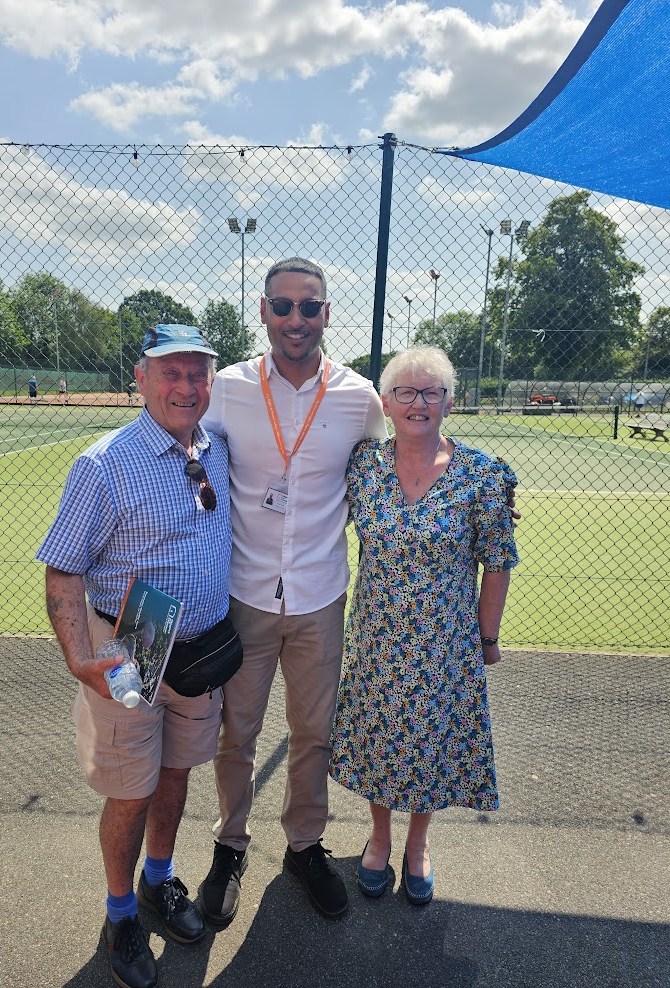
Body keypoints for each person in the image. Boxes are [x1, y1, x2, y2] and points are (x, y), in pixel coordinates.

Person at [36, 325, 231, 988]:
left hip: (201, 642)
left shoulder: (215, 447)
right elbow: (62, 569)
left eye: (198, 373)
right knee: (130, 788)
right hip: (136, 641)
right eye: (170, 372)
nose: (186, 386)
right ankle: (120, 914)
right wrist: (78, 659)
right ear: (141, 379)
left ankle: (158, 881)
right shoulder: (104, 464)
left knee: (175, 771)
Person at [199, 257, 388, 922]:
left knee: (313, 733)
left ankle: (303, 844)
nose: (295, 320)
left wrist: (478, 498)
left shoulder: (360, 398)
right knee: (236, 733)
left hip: (319, 596)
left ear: (327, 313)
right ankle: (229, 843)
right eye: (282, 306)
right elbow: (182, 457)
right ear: (263, 312)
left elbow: (396, 473)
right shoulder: (226, 389)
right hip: (244, 593)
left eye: (309, 307)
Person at [328, 345, 519, 906]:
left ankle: (418, 843)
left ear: (449, 403)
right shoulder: (362, 466)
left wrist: (487, 638)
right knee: (380, 736)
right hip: (377, 637)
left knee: (430, 742)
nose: (419, 402)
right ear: (386, 403)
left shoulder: (482, 476)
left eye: (432, 392)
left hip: (443, 643)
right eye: (406, 392)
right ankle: (379, 837)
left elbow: (498, 562)